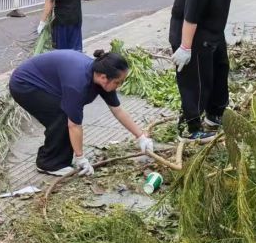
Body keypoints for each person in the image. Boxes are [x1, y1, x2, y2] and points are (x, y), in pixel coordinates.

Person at [9, 49, 154, 176]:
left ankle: (58, 161)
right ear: (104, 78)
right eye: (118, 82)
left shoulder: (102, 76)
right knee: (62, 116)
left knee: (65, 115)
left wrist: (140, 136)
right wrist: (81, 157)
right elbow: (74, 125)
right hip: (25, 85)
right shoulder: (78, 85)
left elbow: (118, 110)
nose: (119, 85)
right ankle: (48, 163)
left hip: (47, 84)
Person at [169, 0, 247, 142]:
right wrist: (185, 47)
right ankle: (190, 128)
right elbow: (190, 14)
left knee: (220, 70)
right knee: (197, 81)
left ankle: (215, 115)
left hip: (213, 29)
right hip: (191, 31)